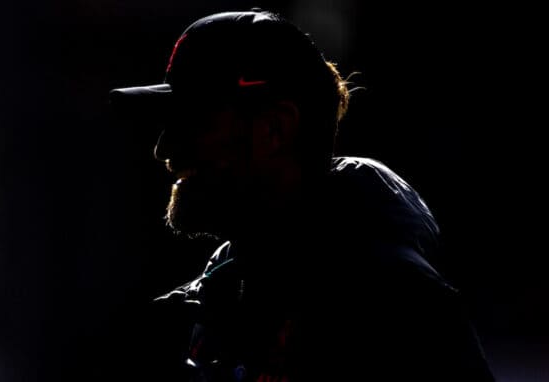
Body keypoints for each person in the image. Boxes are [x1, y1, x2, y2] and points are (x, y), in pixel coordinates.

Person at [110, 8, 495, 381]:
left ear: (275, 130)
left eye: (191, 122)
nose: (164, 149)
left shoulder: (398, 312)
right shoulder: (210, 304)